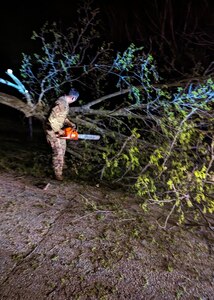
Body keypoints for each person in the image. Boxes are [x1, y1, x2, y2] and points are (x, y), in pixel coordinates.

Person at [45, 88, 79, 181]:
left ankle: (60, 166)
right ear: (73, 98)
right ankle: (57, 175)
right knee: (58, 152)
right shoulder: (61, 103)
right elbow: (51, 119)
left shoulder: (64, 103)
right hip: (51, 130)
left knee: (63, 148)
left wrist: (70, 123)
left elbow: (61, 117)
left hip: (57, 129)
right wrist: (58, 130)